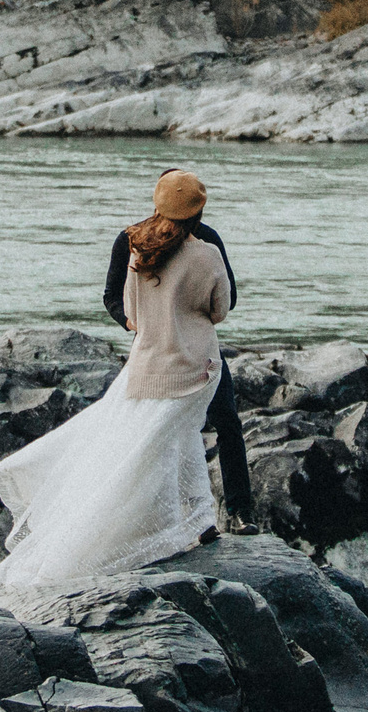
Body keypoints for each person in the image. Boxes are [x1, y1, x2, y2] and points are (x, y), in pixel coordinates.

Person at [0, 170, 234, 587]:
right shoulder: (208, 254)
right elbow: (220, 311)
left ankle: (196, 520)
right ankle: (193, 521)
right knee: (185, 434)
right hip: (195, 366)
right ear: (199, 212)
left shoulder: (138, 251)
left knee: (154, 443)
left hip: (146, 366)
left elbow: (131, 314)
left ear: (157, 205)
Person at [102, 170, 254, 528]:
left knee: (209, 428)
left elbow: (119, 298)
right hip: (185, 353)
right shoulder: (141, 240)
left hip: (160, 352)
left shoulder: (139, 240)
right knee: (199, 429)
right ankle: (188, 519)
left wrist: (140, 322)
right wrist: (135, 324)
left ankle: (236, 512)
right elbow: (225, 305)